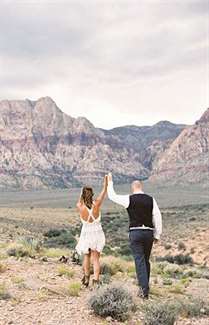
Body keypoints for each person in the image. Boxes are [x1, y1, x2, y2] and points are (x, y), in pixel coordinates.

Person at [107, 173, 162, 299]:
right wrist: (157, 234)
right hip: (148, 233)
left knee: (139, 260)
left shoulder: (129, 199)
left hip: (135, 232)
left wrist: (110, 182)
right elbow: (157, 217)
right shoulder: (151, 199)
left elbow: (112, 196)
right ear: (141, 187)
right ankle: (145, 288)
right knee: (145, 260)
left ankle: (144, 291)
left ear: (133, 188)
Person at [76, 175, 108, 287]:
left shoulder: (80, 206)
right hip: (97, 233)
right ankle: (96, 281)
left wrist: (82, 193)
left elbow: (79, 201)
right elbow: (104, 191)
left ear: (83, 195)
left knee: (86, 256)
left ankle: (86, 278)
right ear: (92, 194)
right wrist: (106, 183)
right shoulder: (97, 204)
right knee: (96, 258)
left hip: (86, 233)